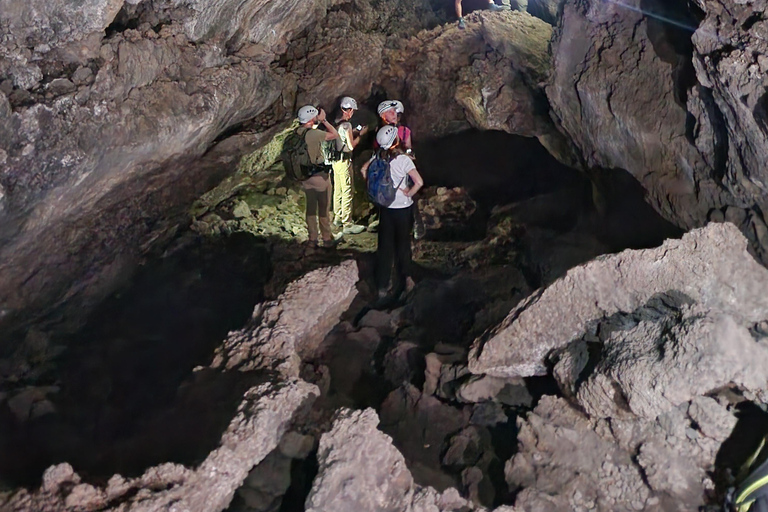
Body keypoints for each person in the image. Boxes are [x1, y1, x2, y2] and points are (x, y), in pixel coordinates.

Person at [362, 126, 424, 304]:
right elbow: (419, 182)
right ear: (396, 140)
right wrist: (408, 193)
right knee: (403, 246)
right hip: (403, 209)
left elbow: (363, 171)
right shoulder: (404, 160)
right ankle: (406, 283)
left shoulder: (377, 156)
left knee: (385, 247)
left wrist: (373, 188)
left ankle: (382, 287)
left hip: (386, 208)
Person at [296, 105, 340, 248]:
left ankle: (312, 239)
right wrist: (324, 120)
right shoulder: (313, 134)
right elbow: (335, 134)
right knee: (323, 208)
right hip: (319, 177)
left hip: (305, 178)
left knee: (310, 208)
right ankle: (326, 238)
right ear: (311, 119)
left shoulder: (296, 133)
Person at [331, 97, 368, 235]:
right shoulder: (346, 125)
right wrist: (361, 135)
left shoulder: (336, 122)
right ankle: (347, 223)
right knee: (347, 190)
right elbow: (351, 145)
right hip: (344, 161)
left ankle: (338, 217)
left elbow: (344, 137)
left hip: (335, 162)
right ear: (349, 110)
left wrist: (357, 130)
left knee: (338, 189)